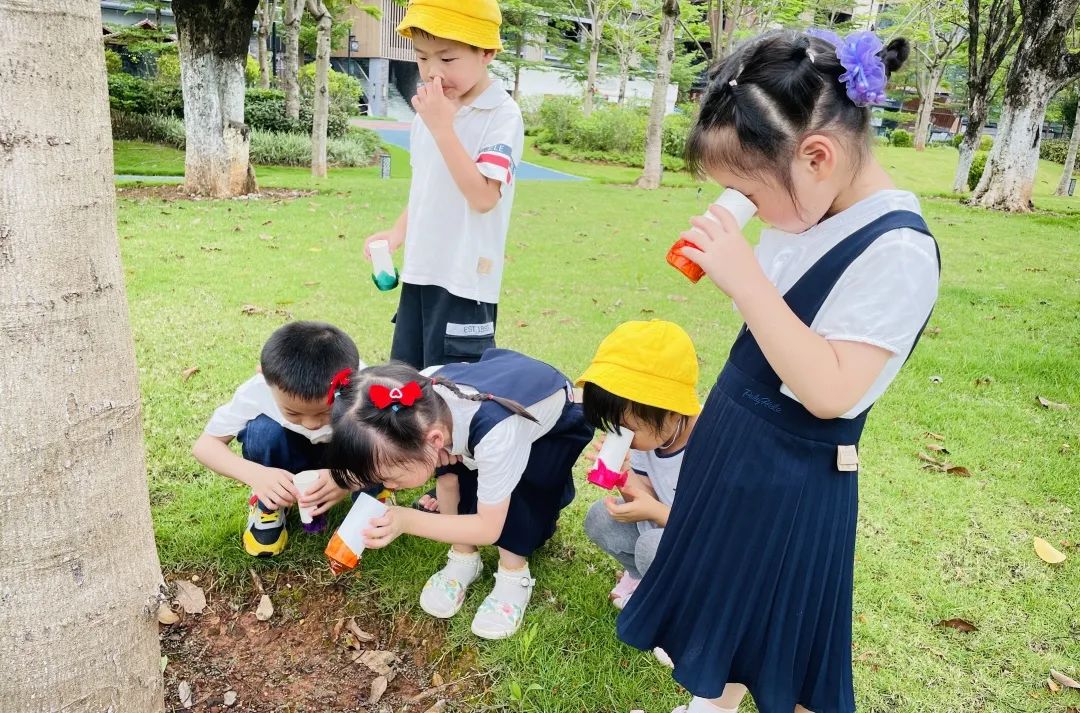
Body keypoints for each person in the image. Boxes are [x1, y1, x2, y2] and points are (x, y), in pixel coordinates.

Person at [617, 30, 940, 713]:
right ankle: (715, 700)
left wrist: (747, 282)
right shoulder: (808, 206)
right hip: (738, 439)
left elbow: (830, 389)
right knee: (728, 596)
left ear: (817, 157)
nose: (746, 209)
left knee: (781, 635)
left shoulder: (898, 252)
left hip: (793, 475)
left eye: (747, 191)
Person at [325, 349, 592, 639]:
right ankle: (463, 555)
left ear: (435, 439)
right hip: (479, 414)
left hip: (543, 426)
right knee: (450, 470)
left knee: (517, 496)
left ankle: (514, 574)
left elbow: (488, 528)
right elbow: (444, 471)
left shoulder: (497, 434)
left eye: (388, 476)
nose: (388, 484)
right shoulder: (416, 407)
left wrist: (406, 520)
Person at [363, 0, 525, 370]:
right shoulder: (430, 112)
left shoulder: (500, 115)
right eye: (422, 58)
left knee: (452, 396)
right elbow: (427, 186)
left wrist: (442, 127)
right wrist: (396, 234)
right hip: (421, 271)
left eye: (447, 59)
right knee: (405, 387)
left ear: (486, 52)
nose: (432, 72)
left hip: (465, 281)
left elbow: (484, 197)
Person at [192, 321, 366, 557]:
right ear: (265, 379)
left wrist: (348, 477)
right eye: (294, 412)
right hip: (288, 458)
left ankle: (370, 495)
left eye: (326, 412)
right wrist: (257, 476)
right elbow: (205, 446)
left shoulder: (365, 387)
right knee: (262, 431)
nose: (311, 424)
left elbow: (398, 448)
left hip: (347, 455)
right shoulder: (256, 391)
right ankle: (271, 501)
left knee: (376, 435)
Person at [576, 321, 701, 611]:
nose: (621, 434)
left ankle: (684, 614)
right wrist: (624, 478)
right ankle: (645, 579)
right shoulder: (654, 435)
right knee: (599, 517)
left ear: (672, 410)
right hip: (664, 529)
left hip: (706, 551)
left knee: (653, 547)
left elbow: (714, 529)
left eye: (628, 427)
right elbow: (649, 493)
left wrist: (655, 512)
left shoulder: (711, 443)